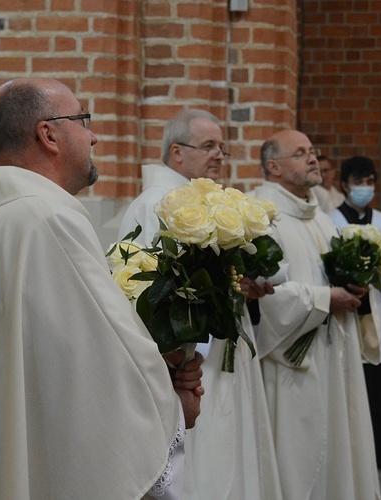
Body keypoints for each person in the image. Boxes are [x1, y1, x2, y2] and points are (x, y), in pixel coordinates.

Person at [0, 77, 206, 499]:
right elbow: (95, 373)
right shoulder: (46, 221)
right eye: (83, 120)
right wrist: (171, 409)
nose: (94, 136)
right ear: (48, 134)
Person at [118, 109, 282, 500]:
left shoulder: (201, 200)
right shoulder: (158, 203)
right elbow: (150, 290)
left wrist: (237, 283)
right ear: (176, 152)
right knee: (208, 459)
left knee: (229, 450)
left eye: (222, 148)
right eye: (208, 146)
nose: (219, 156)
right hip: (193, 361)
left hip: (221, 354)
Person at [252, 129, 381, 499]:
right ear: (273, 167)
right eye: (300, 153)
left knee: (339, 446)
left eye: (313, 151)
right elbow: (265, 295)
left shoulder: (321, 218)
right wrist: (326, 299)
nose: (312, 159)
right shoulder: (263, 216)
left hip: (332, 355)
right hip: (293, 363)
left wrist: (355, 285)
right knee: (301, 456)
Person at [327, 156, 381, 469]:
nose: (365, 188)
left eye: (370, 182)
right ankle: (351, 450)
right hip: (345, 305)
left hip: (376, 304)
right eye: (359, 182)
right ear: (344, 184)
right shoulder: (330, 219)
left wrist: (379, 269)